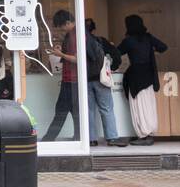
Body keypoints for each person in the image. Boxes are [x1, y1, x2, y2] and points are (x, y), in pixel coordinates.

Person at [119, 14, 169, 146]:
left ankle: (143, 134)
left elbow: (117, 53)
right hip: (149, 75)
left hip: (136, 76)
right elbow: (163, 47)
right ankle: (149, 133)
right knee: (148, 104)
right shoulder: (148, 38)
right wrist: (152, 51)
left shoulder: (128, 41)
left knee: (138, 105)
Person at [86, 19, 129, 147]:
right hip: (101, 80)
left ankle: (90, 139)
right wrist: (111, 69)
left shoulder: (79, 42)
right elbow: (116, 55)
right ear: (93, 29)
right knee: (106, 109)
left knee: (88, 110)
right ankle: (112, 138)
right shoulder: (100, 41)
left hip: (85, 80)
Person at [43, 10, 80, 141]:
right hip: (72, 79)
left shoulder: (75, 36)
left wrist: (61, 55)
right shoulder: (75, 34)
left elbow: (78, 58)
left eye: (62, 26)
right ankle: (78, 137)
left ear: (68, 22)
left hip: (71, 80)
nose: (61, 30)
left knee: (61, 111)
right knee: (75, 112)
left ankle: (48, 139)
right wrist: (62, 51)